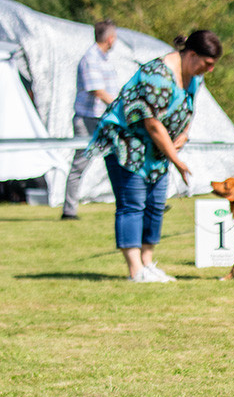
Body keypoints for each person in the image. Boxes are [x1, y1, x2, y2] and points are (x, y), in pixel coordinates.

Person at [86, 30, 222, 283]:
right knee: (132, 205)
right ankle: (135, 270)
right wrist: (177, 160)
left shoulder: (193, 77)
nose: (210, 69)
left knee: (156, 204)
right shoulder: (156, 75)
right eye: (208, 63)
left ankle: (148, 264)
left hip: (156, 150)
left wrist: (184, 134)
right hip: (128, 145)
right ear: (192, 54)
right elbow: (152, 123)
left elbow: (188, 108)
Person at [61, 20, 120, 220]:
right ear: (110, 38)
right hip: (88, 120)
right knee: (80, 164)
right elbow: (98, 91)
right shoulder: (91, 58)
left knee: (121, 160)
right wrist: (120, 108)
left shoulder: (103, 59)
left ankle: (131, 203)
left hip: (105, 119)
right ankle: (69, 211)